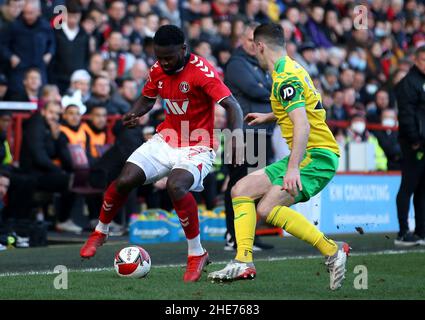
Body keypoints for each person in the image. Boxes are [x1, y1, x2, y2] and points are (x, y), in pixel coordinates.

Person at [80, 25, 244, 283]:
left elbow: (232, 106)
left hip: (198, 145)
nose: (164, 62)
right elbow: (148, 97)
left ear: (183, 49)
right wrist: (135, 113)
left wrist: (236, 140)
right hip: (166, 138)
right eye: (159, 57)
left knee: (176, 186)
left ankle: (196, 253)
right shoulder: (158, 68)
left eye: (169, 57)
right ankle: (101, 231)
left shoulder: (202, 72)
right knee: (124, 179)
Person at [208, 23, 350, 291]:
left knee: (267, 208)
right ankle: (243, 261)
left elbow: (303, 124)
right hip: (311, 154)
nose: (253, 50)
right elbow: (309, 106)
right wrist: (270, 115)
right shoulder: (291, 68)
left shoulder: (284, 77)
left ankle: (332, 250)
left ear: (260, 46)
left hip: (316, 158)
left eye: (254, 45)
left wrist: (293, 168)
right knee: (240, 190)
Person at [223, 21, 274, 251]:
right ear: (241, 41)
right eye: (250, 40)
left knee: (255, 186)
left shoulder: (259, 64)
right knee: (238, 184)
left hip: (261, 132)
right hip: (242, 133)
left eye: (257, 41)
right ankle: (232, 236)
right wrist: (273, 91)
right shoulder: (236, 63)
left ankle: (249, 236)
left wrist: (267, 87)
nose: (254, 45)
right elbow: (255, 89)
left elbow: (262, 87)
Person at [394, 45, 425, 246]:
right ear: (415, 60)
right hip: (415, 144)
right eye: (423, 60)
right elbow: (406, 115)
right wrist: (415, 140)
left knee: (423, 189)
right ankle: (403, 232)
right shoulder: (409, 83)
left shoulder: (419, 82)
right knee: (408, 187)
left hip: (422, 142)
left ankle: (421, 232)